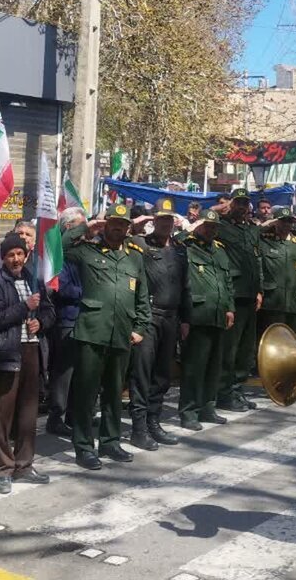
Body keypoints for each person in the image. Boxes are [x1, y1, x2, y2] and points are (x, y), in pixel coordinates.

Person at [62, 202, 149, 470]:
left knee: (114, 393)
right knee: (86, 393)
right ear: (105, 224)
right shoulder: (88, 251)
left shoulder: (135, 257)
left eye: (123, 224)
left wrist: (140, 328)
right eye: (113, 223)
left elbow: (142, 296)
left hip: (122, 333)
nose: (118, 228)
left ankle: (110, 442)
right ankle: (84, 447)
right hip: (92, 331)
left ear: (128, 228)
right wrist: (86, 227)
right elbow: (60, 247)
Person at [0, 232, 56, 494]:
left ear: (26, 255)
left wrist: (40, 322)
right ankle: (3, 468)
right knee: (4, 414)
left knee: (28, 413)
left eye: (20, 254)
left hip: (32, 350)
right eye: (11, 255)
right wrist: (24, 307)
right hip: (7, 353)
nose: (16, 259)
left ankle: (24, 464)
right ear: (3, 258)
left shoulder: (33, 279)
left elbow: (49, 311)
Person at [128, 197, 187, 451]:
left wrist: (186, 318)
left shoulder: (179, 249)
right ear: (154, 220)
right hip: (149, 316)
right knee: (142, 373)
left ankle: (154, 421)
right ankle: (138, 429)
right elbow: (123, 237)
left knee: (162, 374)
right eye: (161, 219)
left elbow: (186, 286)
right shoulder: (141, 244)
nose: (165, 224)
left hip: (172, 317)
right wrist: (136, 223)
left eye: (169, 220)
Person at [177, 209, 235, 430]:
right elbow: (175, 240)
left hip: (218, 315)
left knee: (213, 366)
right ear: (199, 225)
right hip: (198, 315)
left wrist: (230, 308)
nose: (210, 230)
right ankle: (189, 411)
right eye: (207, 225)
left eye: (214, 227)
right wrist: (190, 229)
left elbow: (227, 281)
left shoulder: (219, 251)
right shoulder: (186, 246)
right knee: (194, 368)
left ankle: (207, 407)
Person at [213, 188, 263, 413]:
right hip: (234, 294)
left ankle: (237, 390)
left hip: (250, 295)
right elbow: (200, 221)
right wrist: (218, 208)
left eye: (245, 203)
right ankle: (224, 393)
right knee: (230, 349)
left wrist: (259, 290)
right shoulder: (221, 227)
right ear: (231, 204)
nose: (242, 207)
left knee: (246, 349)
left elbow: (257, 260)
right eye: (238, 203)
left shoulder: (251, 229)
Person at [46, 208, 85, 437]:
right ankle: (56, 417)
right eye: (81, 226)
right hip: (67, 319)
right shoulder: (60, 253)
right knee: (64, 373)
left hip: (83, 319)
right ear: (69, 227)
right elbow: (62, 288)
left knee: (79, 372)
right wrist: (89, 292)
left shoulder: (83, 252)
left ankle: (73, 415)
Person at [257, 206, 296, 339]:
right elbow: (259, 271)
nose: (286, 225)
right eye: (283, 221)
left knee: (295, 341)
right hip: (272, 303)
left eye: (289, 221)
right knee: (271, 340)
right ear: (276, 222)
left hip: (295, 302)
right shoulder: (264, 241)